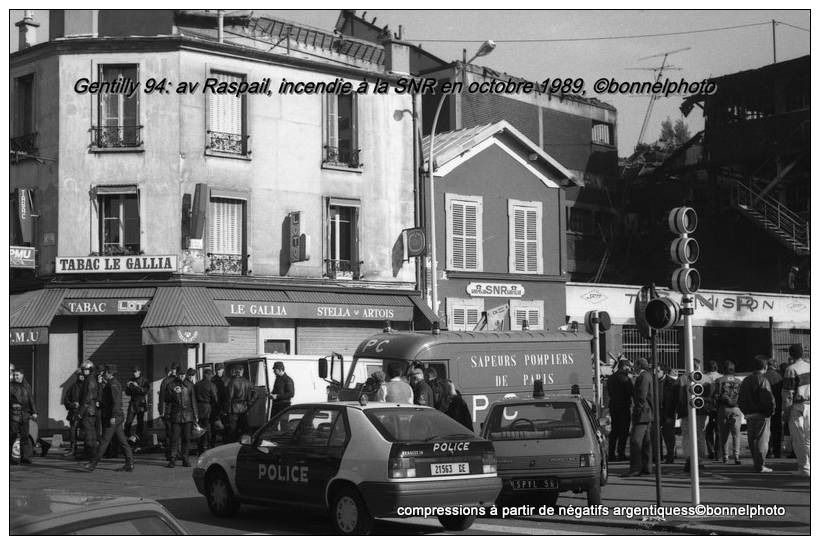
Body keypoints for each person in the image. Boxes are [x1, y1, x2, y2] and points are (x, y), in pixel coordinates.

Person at [85, 364, 134, 472]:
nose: (104, 374)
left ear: (110, 373)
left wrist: (113, 416)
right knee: (123, 441)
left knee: (104, 441)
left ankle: (93, 463)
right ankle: (129, 463)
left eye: (106, 372)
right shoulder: (111, 383)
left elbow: (116, 402)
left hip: (114, 417)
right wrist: (101, 404)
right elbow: (109, 401)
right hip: (116, 417)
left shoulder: (113, 385)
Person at [738, 356, 776, 473]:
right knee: (762, 440)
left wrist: (746, 412)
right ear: (765, 367)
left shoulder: (746, 380)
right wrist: (770, 411)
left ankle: (756, 463)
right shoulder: (763, 380)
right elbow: (768, 399)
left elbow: (740, 399)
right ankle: (760, 465)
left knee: (752, 439)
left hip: (749, 415)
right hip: (761, 414)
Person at [782, 343, 810, 477]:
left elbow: (788, 393)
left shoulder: (791, 369)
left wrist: (786, 412)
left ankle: (805, 469)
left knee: (798, 439)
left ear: (790, 355)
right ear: (803, 353)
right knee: (810, 439)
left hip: (798, 406)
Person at [623, 358, 653, 477]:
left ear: (639, 365)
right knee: (646, 442)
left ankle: (635, 468)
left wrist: (637, 410)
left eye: (635, 364)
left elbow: (642, 395)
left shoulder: (644, 377)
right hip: (647, 413)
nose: (633, 366)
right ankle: (646, 467)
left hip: (642, 414)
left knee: (635, 441)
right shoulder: (647, 376)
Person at [679, 358, 708, 473]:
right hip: (701, 412)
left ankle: (689, 458)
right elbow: (710, 395)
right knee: (700, 435)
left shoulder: (682, 379)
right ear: (699, 367)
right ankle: (699, 460)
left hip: (686, 413)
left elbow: (678, 398)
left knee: (687, 436)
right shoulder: (706, 379)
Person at [165, 368, 198, 467]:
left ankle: (185, 458)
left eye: (183, 375)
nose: (182, 376)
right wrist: (174, 393)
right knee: (174, 438)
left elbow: (193, 401)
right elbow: (166, 399)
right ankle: (173, 458)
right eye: (180, 374)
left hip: (188, 415)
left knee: (186, 438)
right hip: (176, 415)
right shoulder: (171, 385)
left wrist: (196, 415)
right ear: (177, 375)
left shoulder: (190, 385)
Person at [713, 361, 743, 464]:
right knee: (736, 434)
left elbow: (716, 396)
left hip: (723, 409)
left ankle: (725, 456)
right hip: (736, 409)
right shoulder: (739, 381)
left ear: (723, 370)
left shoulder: (719, 381)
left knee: (724, 434)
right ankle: (737, 456)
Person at [606, 359, 633, 462]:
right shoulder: (625, 379)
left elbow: (609, 392)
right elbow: (630, 392)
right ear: (624, 367)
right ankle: (621, 453)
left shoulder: (611, 378)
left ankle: (611, 453)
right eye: (628, 367)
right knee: (624, 431)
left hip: (613, 406)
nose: (630, 369)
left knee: (614, 431)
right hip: (624, 407)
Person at [10, 368, 38, 465]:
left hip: (25, 415)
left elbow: (31, 400)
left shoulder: (27, 386)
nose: (16, 377)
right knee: (12, 436)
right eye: (14, 375)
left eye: (17, 375)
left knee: (25, 437)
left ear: (22, 375)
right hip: (14, 414)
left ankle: (26, 457)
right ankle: (10, 457)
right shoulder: (10, 386)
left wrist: (34, 412)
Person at [224, 365, 255, 443]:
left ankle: (232, 446)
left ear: (235, 371)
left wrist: (226, 410)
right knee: (243, 429)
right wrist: (250, 403)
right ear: (242, 371)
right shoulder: (247, 381)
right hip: (244, 408)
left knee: (233, 431)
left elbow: (229, 397)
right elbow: (255, 394)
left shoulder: (232, 382)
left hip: (233, 409)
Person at [77, 360, 99, 460]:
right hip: (91, 410)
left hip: (88, 410)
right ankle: (90, 452)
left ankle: (89, 454)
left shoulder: (89, 381)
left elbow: (87, 399)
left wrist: (80, 413)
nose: (84, 371)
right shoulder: (90, 380)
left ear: (90, 370)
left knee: (88, 433)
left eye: (86, 369)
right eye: (83, 369)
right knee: (91, 432)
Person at [194, 369, 218, 454]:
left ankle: (199, 447)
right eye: (211, 375)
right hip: (207, 408)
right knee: (207, 428)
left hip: (198, 408)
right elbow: (215, 399)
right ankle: (205, 447)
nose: (212, 377)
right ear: (207, 375)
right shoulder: (212, 385)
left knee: (198, 429)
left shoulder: (197, 385)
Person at [702, 360, 723, 460]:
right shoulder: (721, 377)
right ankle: (719, 453)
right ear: (717, 367)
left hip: (707, 406)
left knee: (709, 429)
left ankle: (711, 451)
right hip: (719, 406)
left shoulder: (703, 377)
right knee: (719, 430)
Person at [658, 365, 678, 464]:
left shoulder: (672, 383)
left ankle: (670, 455)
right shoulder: (653, 381)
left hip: (668, 412)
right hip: (657, 412)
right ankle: (658, 456)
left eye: (658, 371)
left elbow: (675, 400)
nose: (655, 372)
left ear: (663, 372)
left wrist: (671, 413)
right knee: (656, 435)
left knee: (669, 436)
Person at [158, 364, 178, 462]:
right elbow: (161, 397)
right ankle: (170, 453)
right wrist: (161, 410)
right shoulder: (167, 381)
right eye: (173, 369)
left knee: (173, 432)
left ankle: (172, 453)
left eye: (175, 369)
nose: (174, 371)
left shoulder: (169, 381)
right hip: (169, 410)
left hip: (174, 410)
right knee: (170, 432)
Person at [63, 369, 84, 458]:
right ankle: (73, 449)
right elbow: (66, 399)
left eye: (82, 375)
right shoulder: (73, 387)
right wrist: (72, 404)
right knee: (73, 431)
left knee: (87, 432)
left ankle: (87, 450)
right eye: (79, 375)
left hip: (85, 413)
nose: (81, 376)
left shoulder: (88, 386)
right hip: (74, 412)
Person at [765, 358, 783, 459]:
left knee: (766, 430)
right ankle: (777, 451)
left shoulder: (763, 376)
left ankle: (767, 451)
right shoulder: (779, 377)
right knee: (777, 429)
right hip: (778, 406)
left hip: (766, 407)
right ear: (775, 366)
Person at [124, 366, 149, 441]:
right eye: (133, 372)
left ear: (139, 372)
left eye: (136, 372)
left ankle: (139, 437)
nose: (134, 373)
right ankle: (127, 436)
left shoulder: (144, 380)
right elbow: (127, 393)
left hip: (141, 403)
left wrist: (137, 386)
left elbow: (144, 391)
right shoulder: (131, 380)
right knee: (128, 421)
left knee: (140, 422)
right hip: (133, 403)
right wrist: (128, 387)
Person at [210, 364, 228, 446]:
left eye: (219, 369)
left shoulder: (226, 380)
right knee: (213, 427)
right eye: (217, 370)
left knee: (225, 426)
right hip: (215, 406)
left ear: (223, 370)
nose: (218, 371)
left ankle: (224, 444)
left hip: (223, 406)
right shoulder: (213, 380)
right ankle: (212, 444)